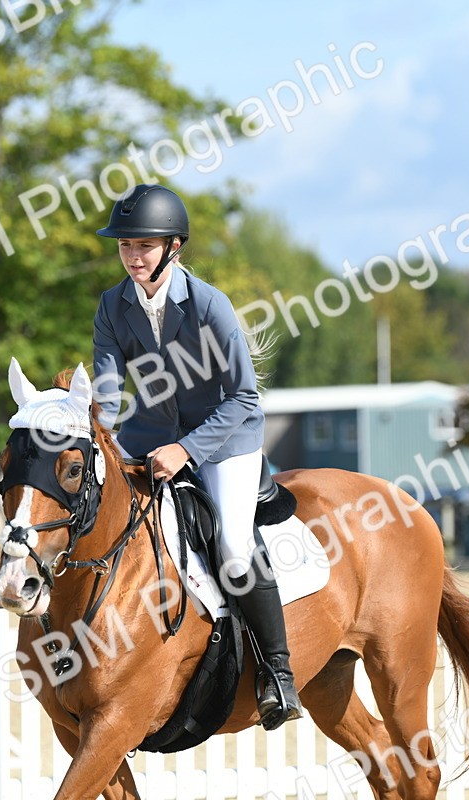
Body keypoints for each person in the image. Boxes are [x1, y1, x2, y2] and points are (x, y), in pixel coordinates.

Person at [91, 184, 302, 731]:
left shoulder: (209, 304)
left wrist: (186, 449)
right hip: (150, 430)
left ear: (173, 247)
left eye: (144, 246)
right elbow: (111, 394)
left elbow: (244, 397)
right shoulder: (113, 305)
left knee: (232, 544)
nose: (133, 257)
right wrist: (92, 428)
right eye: (125, 247)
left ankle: (278, 673)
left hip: (224, 436)